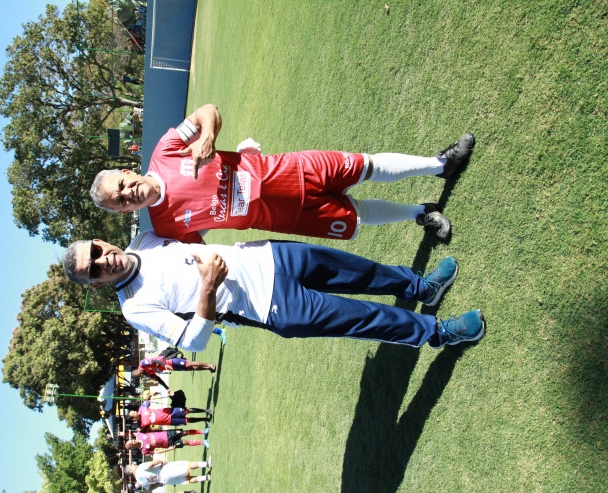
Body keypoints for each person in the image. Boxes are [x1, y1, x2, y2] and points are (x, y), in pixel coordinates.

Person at [90, 104, 475, 243]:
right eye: (120, 201)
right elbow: (203, 242)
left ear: (126, 171)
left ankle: (441, 165)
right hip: (286, 217)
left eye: (122, 185)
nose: (128, 194)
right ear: (125, 211)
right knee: (356, 216)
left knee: (365, 166)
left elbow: (208, 111)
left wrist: (208, 138)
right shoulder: (166, 227)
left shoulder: (165, 150)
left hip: (290, 169)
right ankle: (420, 214)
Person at [61, 232, 486, 352]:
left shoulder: (146, 237)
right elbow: (194, 342)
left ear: (99, 240)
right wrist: (207, 287)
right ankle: (439, 333)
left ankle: (420, 287)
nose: (103, 261)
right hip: (272, 306)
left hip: (270, 255)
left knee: (361, 271)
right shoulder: (134, 307)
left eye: (95, 252)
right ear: (96, 284)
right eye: (93, 270)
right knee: (362, 317)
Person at [129, 392, 211, 428]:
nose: (135, 412)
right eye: (134, 413)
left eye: (134, 411)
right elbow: (147, 431)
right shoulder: (141, 425)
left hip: (169, 412)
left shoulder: (142, 408)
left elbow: (148, 400)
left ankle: (205, 411)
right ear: (133, 419)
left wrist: (151, 394)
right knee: (187, 420)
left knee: (187, 411)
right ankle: (205, 419)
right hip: (170, 421)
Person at [125, 459, 211, 489]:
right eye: (131, 465)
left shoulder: (139, 482)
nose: (133, 465)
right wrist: (161, 460)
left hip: (163, 480)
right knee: (186, 465)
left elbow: (150, 488)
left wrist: (159, 483)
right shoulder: (139, 468)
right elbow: (151, 464)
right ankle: (207, 464)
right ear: (131, 471)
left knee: (186, 479)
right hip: (163, 471)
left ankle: (205, 477)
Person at [125, 427, 210, 455]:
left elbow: (148, 427)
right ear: (133, 447)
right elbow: (157, 452)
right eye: (132, 443)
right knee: (185, 442)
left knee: (185, 432)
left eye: (132, 440)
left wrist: (156, 428)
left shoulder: (140, 434)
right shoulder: (144, 450)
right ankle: (203, 442)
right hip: (168, 443)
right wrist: (168, 449)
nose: (134, 441)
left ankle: (203, 432)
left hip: (166, 434)